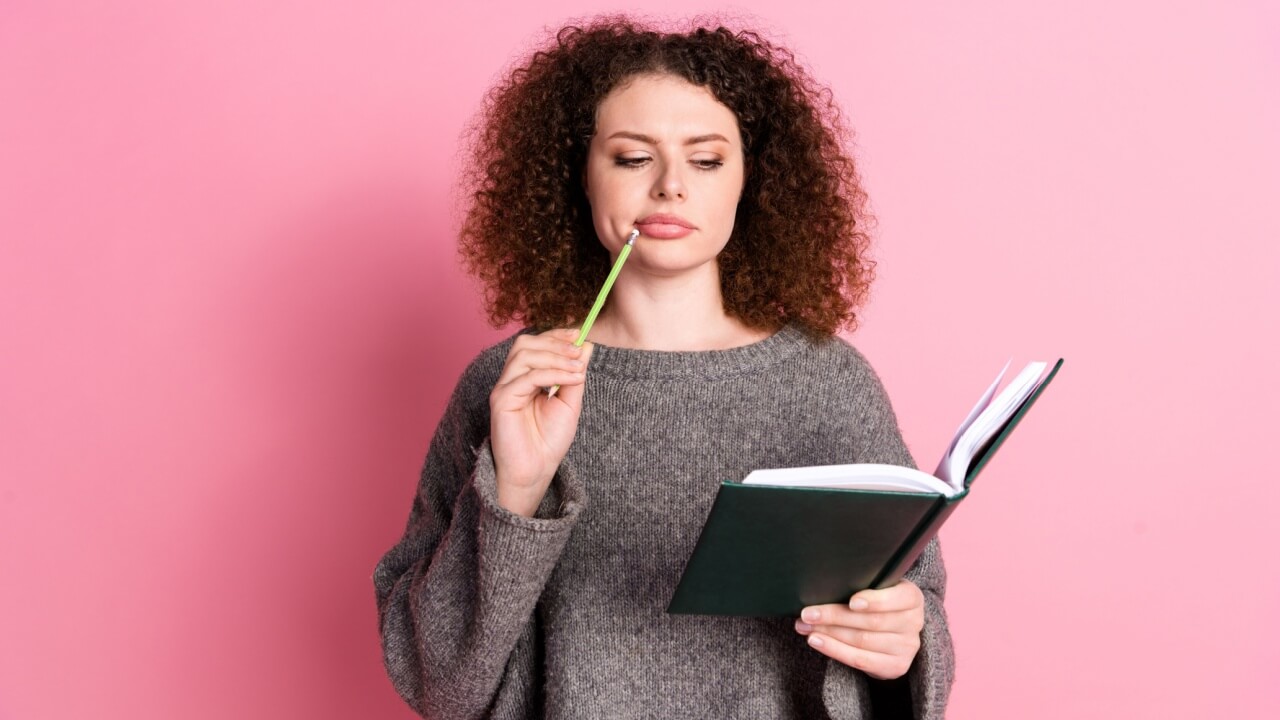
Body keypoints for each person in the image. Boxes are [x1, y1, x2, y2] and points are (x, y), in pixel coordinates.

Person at [375, 17, 954, 719]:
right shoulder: (509, 385)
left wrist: (903, 643)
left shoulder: (829, 381)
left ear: (751, 182)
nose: (670, 186)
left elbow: (917, 630)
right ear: (579, 176)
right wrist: (517, 492)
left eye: (706, 160)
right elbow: (438, 682)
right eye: (631, 158)